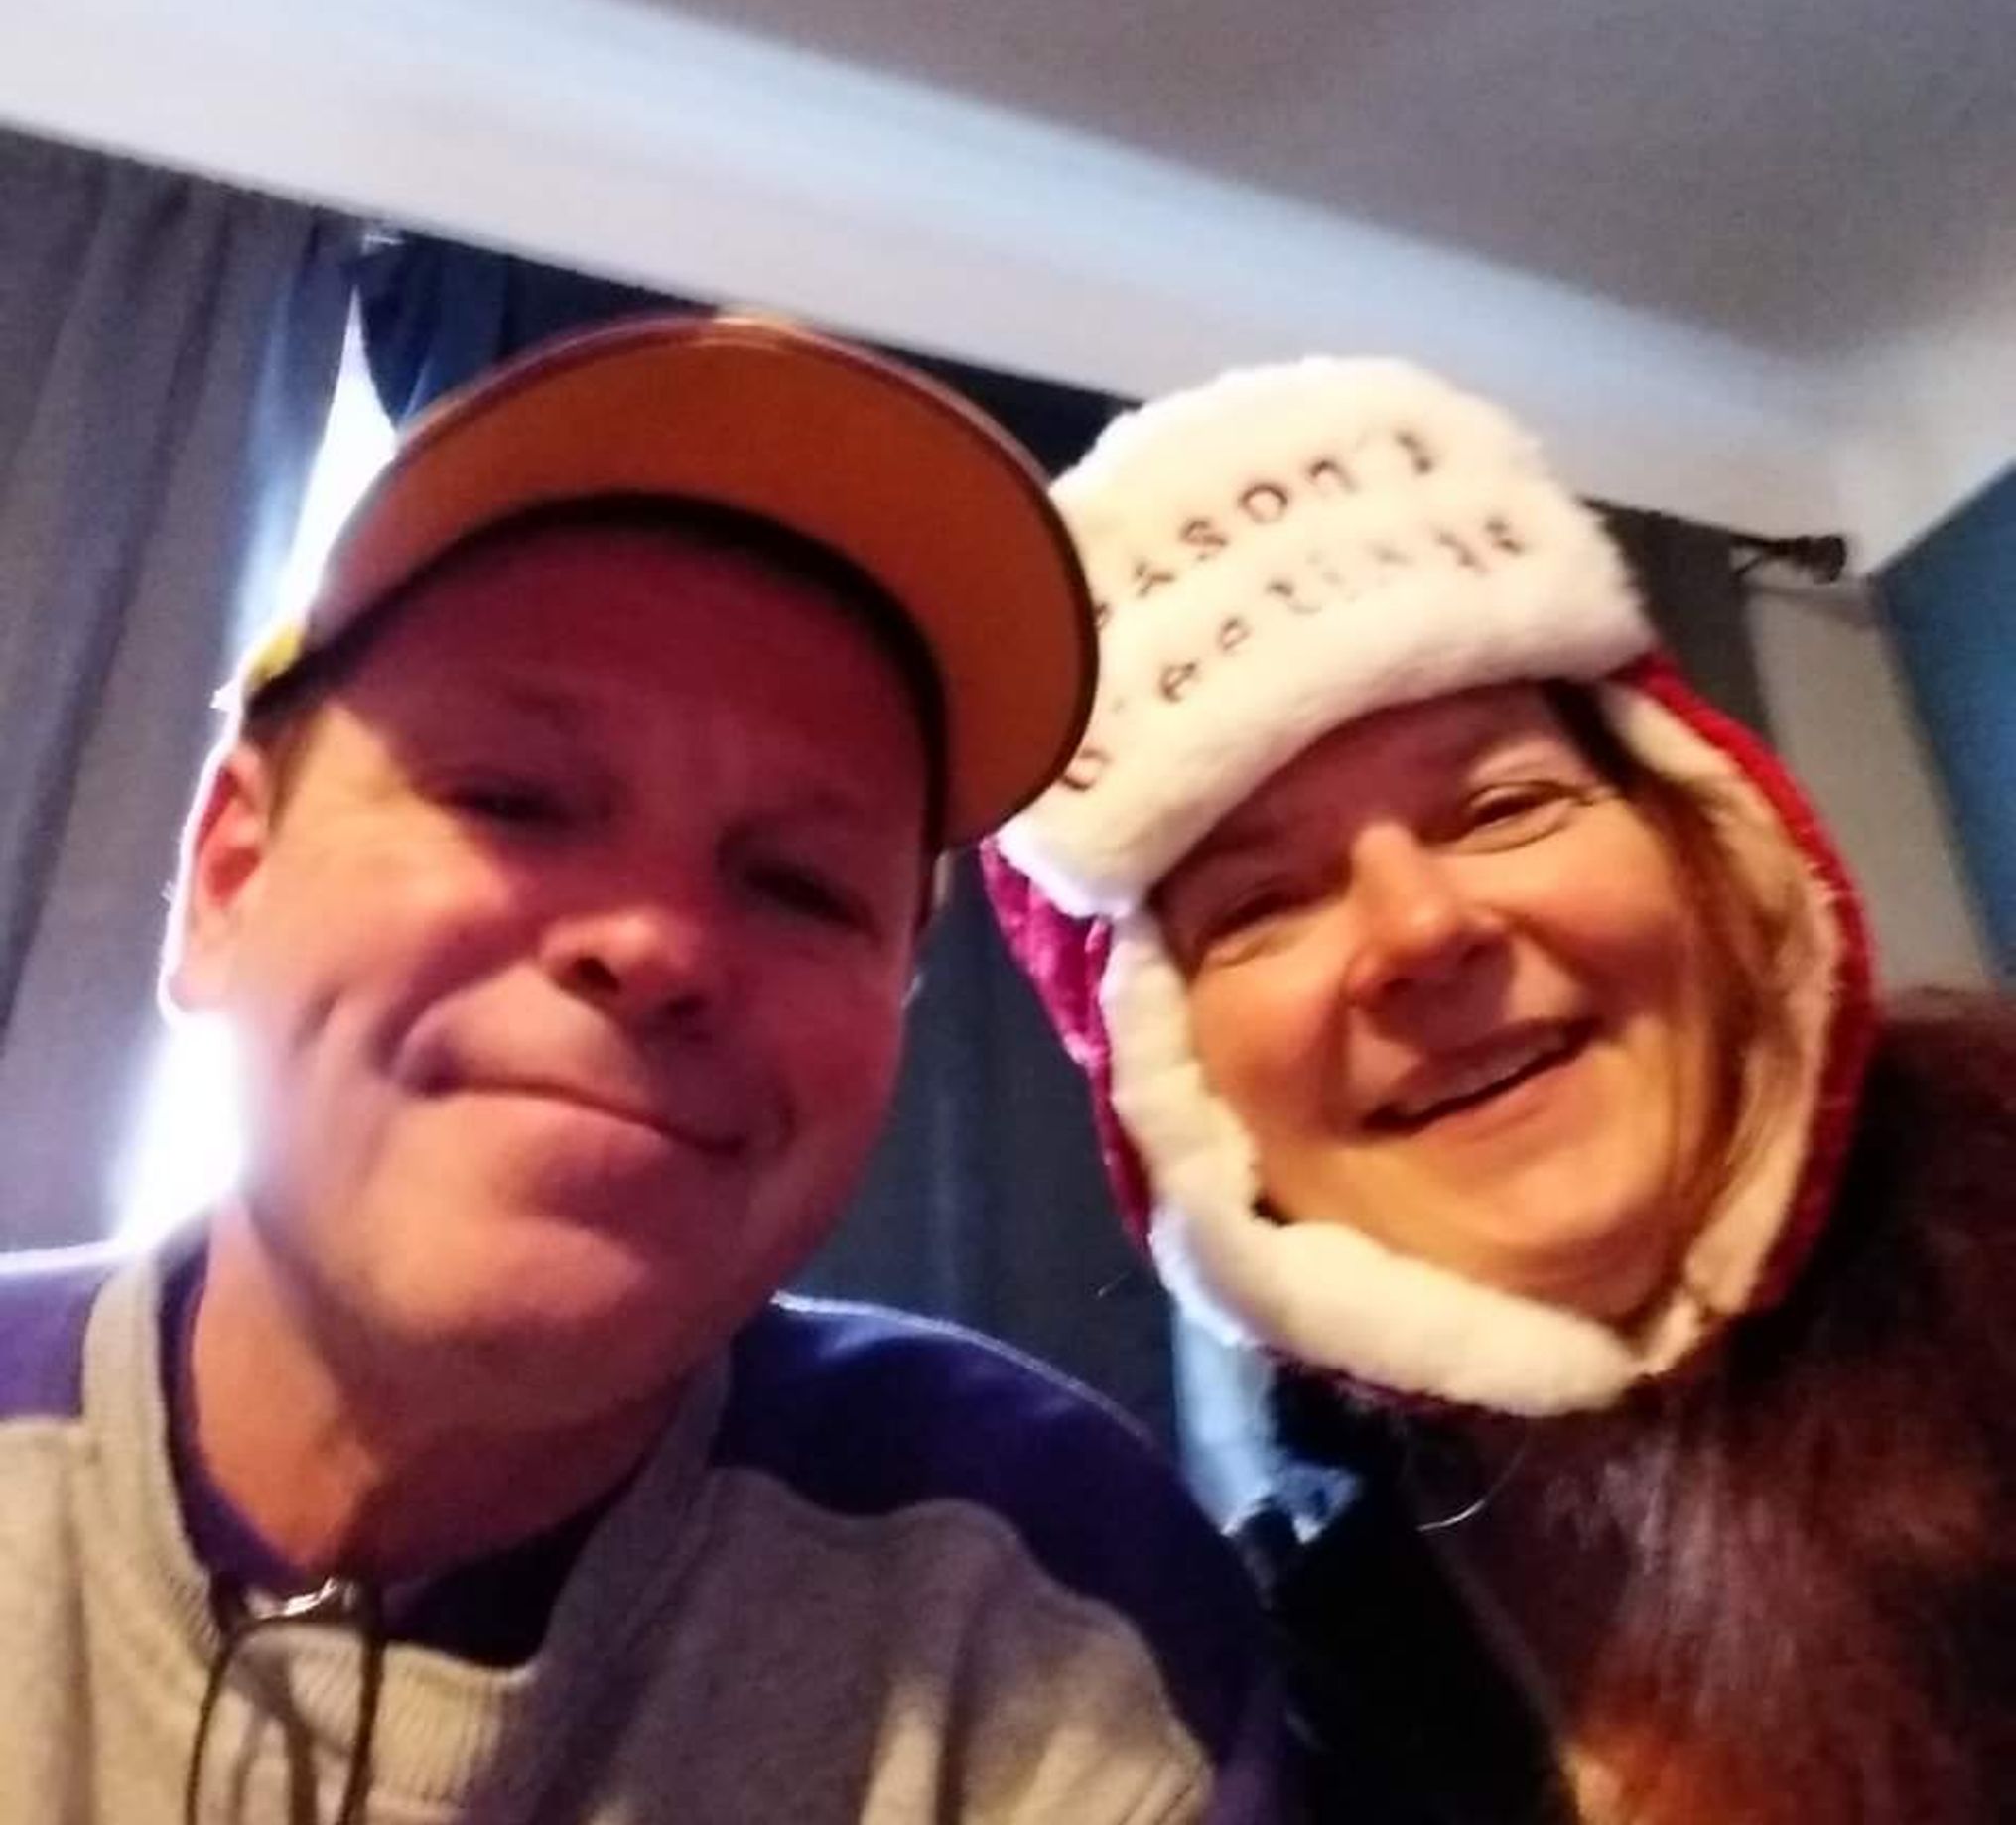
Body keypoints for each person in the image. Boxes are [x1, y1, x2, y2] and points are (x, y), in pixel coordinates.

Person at [0, 314, 1289, 1823]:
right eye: (513, 799)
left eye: (801, 885)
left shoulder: (1049, 1606)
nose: (660, 945)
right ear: (229, 879)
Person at [984, 354, 2016, 1823]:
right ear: (1175, 1099)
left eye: (1505, 805)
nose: (1424, 930)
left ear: (1711, 851)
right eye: (1263, 905)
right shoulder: (1279, 1705)